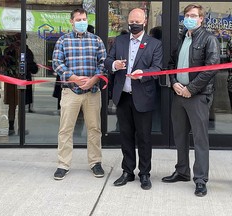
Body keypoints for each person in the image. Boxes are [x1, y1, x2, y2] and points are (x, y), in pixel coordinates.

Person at [161, 3, 220, 197]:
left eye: (193, 15)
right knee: (179, 136)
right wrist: (174, 83)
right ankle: (182, 171)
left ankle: (200, 179)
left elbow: (211, 68)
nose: (189, 18)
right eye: (187, 15)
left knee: (200, 139)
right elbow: (171, 64)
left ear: (201, 19)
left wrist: (191, 89)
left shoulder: (209, 39)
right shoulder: (182, 38)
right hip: (179, 94)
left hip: (197, 97)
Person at [104, 8, 162, 190]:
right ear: (127, 22)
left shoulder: (154, 44)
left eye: (138, 21)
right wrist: (114, 64)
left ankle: (144, 173)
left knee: (144, 137)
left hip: (143, 97)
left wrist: (142, 74)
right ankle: (127, 171)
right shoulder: (119, 41)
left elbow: (157, 69)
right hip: (123, 97)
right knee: (126, 136)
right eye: (131, 21)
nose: (134, 24)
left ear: (144, 22)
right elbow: (107, 61)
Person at [52, 8, 107, 180]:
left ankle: (95, 162)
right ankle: (63, 164)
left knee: (94, 128)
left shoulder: (96, 40)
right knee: (66, 130)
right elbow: (56, 63)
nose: (82, 22)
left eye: (84, 19)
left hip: (92, 91)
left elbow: (103, 63)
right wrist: (73, 78)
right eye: (79, 19)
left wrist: (93, 79)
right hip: (71, 91)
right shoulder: (63, 41)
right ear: (71, 21)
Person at [3, 33, 38, 135]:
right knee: (20, 105)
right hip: (21, 80)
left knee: (12, 105)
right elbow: (32, 68)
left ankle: (11, 127)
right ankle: (20, 128)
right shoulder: (27, 51)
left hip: (10, 81)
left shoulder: (8, 51)